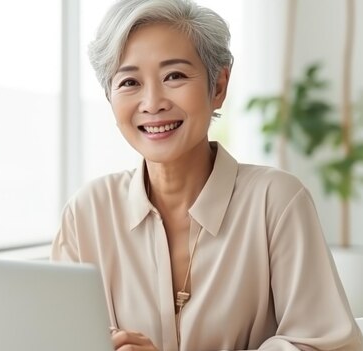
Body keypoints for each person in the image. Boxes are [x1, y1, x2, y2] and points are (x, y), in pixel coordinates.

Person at [50, 0, 363, 350]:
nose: (152, 102)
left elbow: (328, 345)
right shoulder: (87, 212)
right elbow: (56, 337)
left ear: (218, 87)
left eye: (175, 76)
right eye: (129, 82)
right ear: (110, 97)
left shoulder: (276, 201)